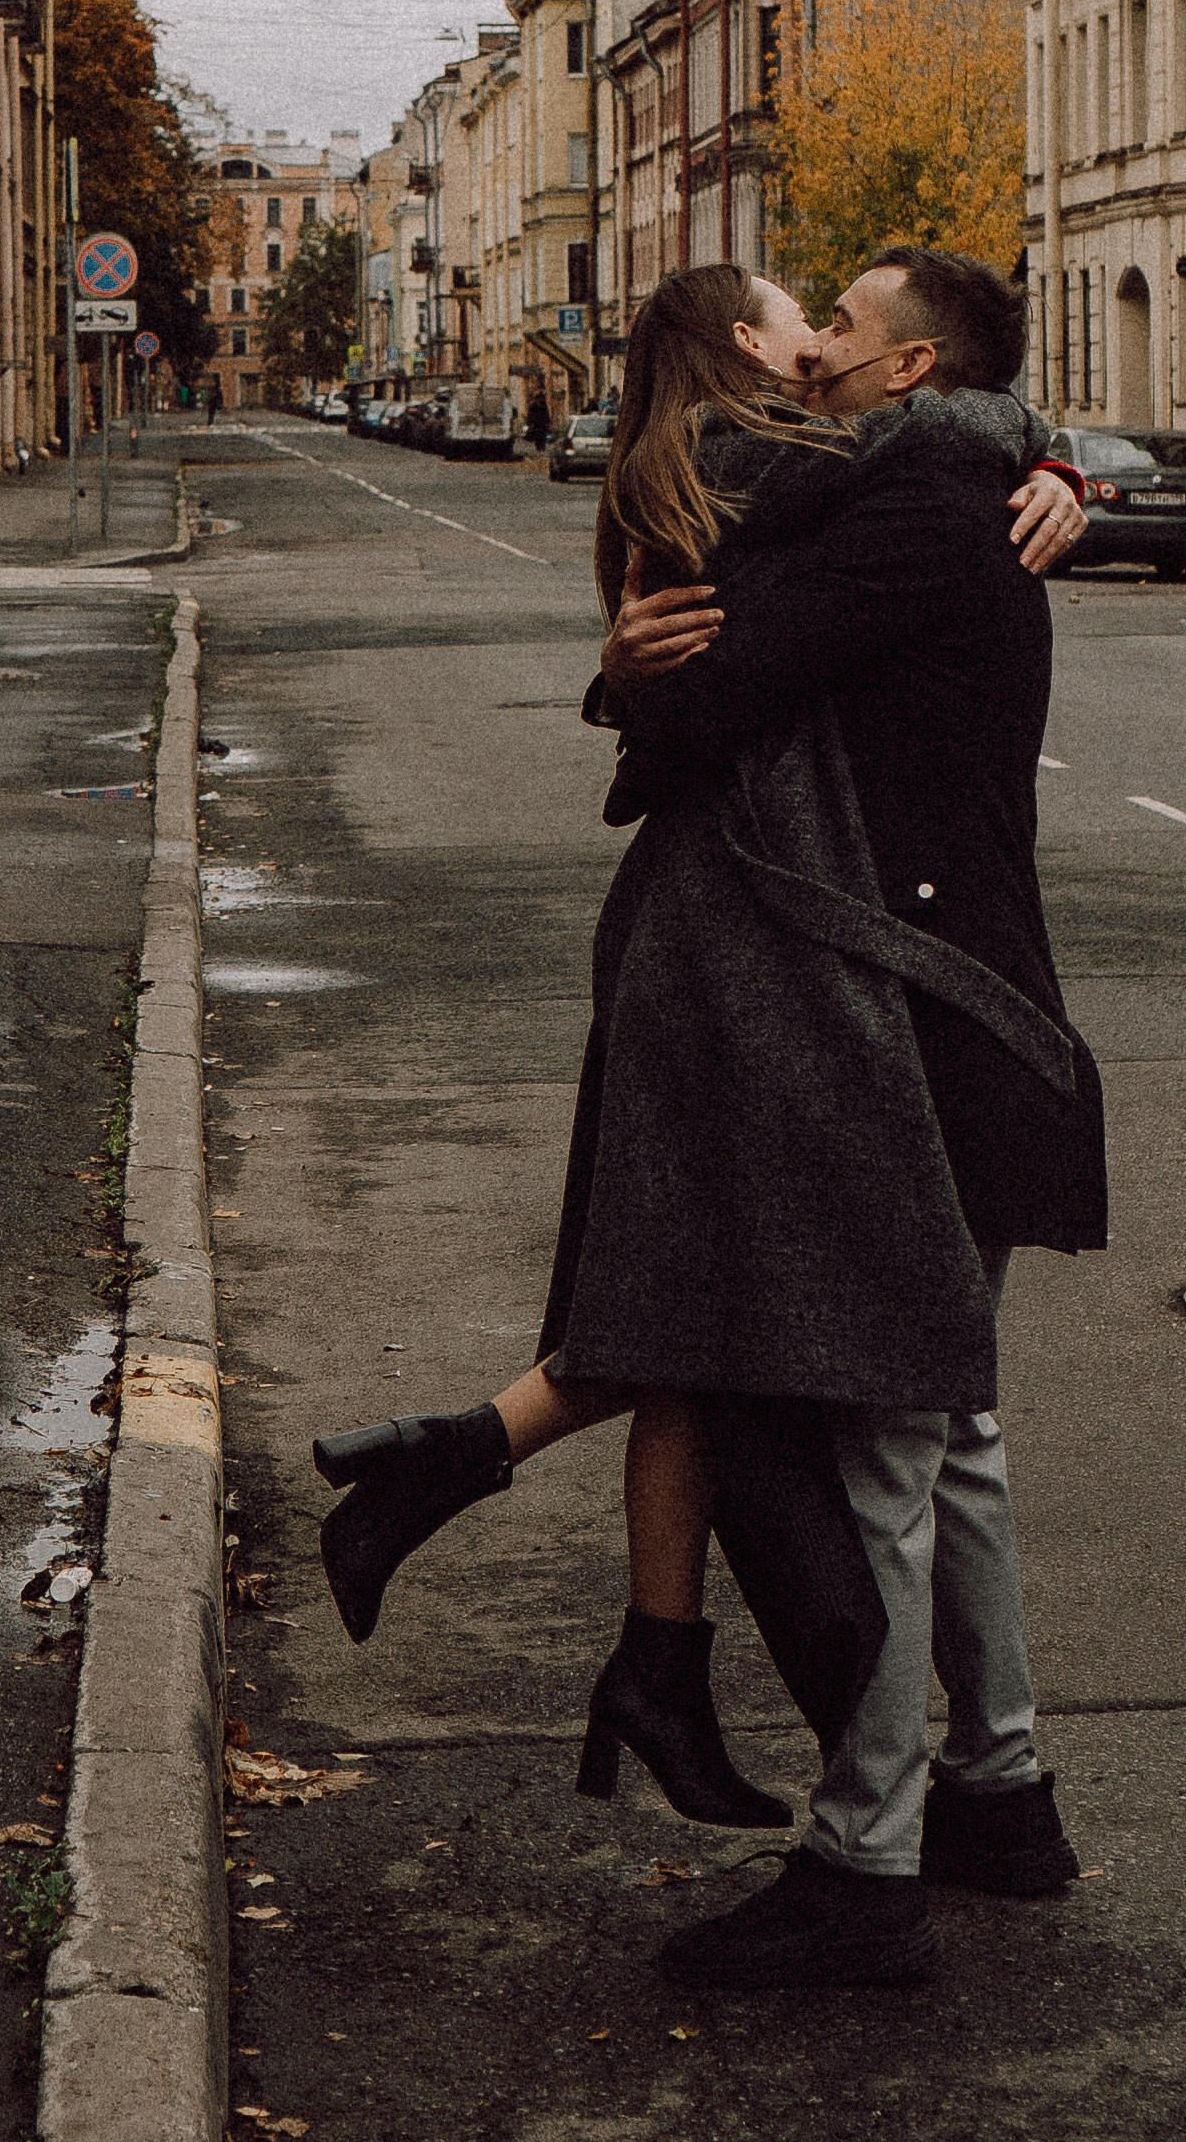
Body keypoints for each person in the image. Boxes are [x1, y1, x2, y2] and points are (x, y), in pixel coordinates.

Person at [312, 261, 1095, 1911]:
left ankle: (869, 1857)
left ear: (902, 369)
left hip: (918, 1007)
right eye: (799, 307)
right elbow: (745, 636)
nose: (819, 330)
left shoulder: (915, 487)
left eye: (846, 317)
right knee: (922, 1425)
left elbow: (711, 699)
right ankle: (989, 1792)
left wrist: (639, 687)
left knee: (887, 1435)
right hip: (914, 999)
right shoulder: (877, 477)